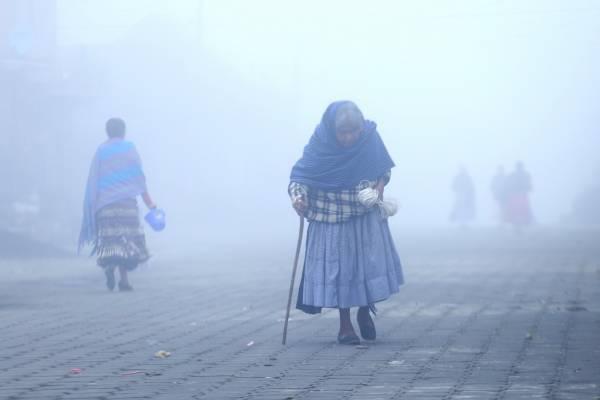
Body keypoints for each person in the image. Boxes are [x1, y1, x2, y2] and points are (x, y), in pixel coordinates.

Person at [288, 101, 403, 345]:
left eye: (354, 131)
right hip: (330, 214)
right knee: (340, 270)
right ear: (333, 129)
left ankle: (364, 310)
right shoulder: (320, 143)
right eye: (343, 132)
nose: (350, 137)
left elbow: (383, 167)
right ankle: (345, 325)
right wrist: (298, 197)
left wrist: (381, 183)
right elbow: (301, 175)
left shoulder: (370, 137)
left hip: (364, 211)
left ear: (362, 127)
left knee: (366, 266)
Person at [79, 118, 157, 291]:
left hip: (105, 205)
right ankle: (124, 281)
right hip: (126, 204)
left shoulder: (101, 150)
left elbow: (94, 179)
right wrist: (149, 202)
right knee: (126, 243)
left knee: (111, 242)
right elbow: (138, 176)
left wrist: (93, 205)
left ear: (108, 131)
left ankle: (109, 267)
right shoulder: (129, 148)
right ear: (123, 131)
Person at [505, 161, 533, 229]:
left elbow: (528, 183)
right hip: (517, 194)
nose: (519, 168)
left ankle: (522, 222)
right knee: (518, 208)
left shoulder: (520, 174)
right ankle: (518, 222)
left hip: (520, 193)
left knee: (521, 208)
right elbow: (508, 183)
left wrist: (528, 188)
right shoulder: (523, 174)